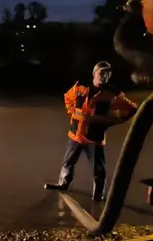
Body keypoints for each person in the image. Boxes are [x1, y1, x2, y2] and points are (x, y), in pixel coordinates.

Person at [44, 61, 139, 201]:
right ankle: (63, 183)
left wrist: (112, 120)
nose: (105, 76)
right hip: (76, 134)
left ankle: (98, 195)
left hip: (94, 138)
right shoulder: (80, 87)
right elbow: (68, 98)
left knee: (98, 169)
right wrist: (72, 112)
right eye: (102, 73)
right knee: (68, 162)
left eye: (108, 74)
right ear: (94, 73)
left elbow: (132, 109)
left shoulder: (112, 94)